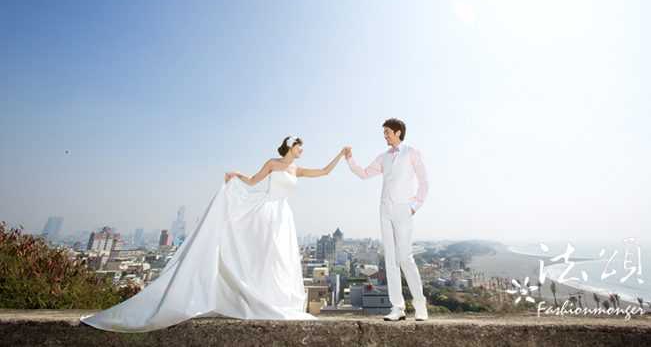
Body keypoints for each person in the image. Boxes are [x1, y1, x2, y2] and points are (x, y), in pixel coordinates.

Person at [80, 136, 347, 332]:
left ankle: (274, 300)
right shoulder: (273, 163)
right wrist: (237, 175)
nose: (302, 150)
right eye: (300, 146)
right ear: (290, 146)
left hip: (283, 216)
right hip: (266, 212)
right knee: (263, 255)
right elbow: (253, 181)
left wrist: (341, 154)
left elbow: (324, 171)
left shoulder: (297, 170)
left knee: (280, 259)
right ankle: (255, 298)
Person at [344, 118, 429, 321]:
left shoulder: (411, 153)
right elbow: (364, 173)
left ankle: (420, 306)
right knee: (390, 260)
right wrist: (350, 159)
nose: (385, 136)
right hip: (385, 210)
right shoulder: (383, 157)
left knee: (405, 258)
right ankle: (397, 308)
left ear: (398, 132)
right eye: (384, 133)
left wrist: (414, 206)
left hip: (404, 209)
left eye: (387, 132)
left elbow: (424, 182)